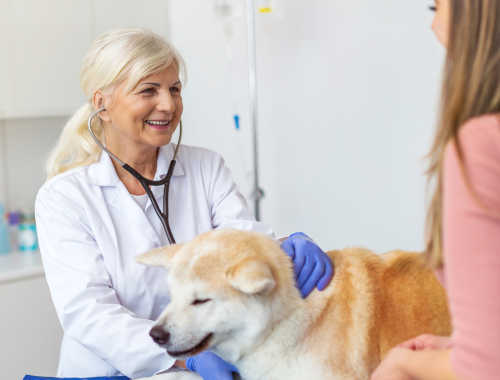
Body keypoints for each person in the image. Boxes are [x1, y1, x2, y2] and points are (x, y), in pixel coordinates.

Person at [35, 28, 333, 379]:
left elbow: (240, 242)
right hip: (112, 371)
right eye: (149, 90)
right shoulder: (65, 197)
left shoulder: (205, 167)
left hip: (201, 365)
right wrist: (181, 357)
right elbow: (89, 313)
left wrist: (282, 246)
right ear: (102, 104)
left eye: (174, 89)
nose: (168, 104)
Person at [371, 0, 500, 379]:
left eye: (435, 6)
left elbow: (486, 369)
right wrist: (465, 344)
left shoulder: (481, 145)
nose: (433, 25)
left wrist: (405, 367)